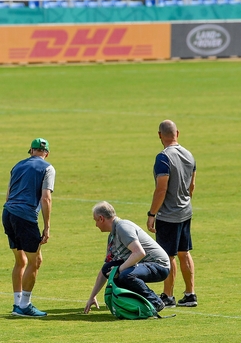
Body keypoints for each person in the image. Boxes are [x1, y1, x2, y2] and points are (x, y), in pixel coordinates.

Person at [83, 201, 170, 314]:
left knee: (125, 274)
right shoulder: (112, 236)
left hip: (159, 265)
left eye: (95, 221)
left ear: (101, 218)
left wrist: (119, 270)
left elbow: (139, 253)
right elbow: (105, 270)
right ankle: (133, 304)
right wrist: (92, 296)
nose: (96, 225)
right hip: (143, 264)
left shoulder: (123, 227)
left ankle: (156, 302)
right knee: (109, 269)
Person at [147, 119, 198, 308]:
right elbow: (192, 186)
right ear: (178, 133)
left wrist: (152, 213)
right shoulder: (189, 155)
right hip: (186, 211)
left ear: (160, 135)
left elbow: (161, 189)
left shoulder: (163, 158)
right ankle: (190, 294)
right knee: (184, 252)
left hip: (169, 215)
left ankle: (168, 296)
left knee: (168, 255)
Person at [2, 138, 55, 318]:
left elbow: (8, 193)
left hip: (8, 213)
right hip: (25, 216)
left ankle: (18, 303)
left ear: (31, 151)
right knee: (35, 261)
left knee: (21, 261)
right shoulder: (48, 168)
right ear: (46, 153)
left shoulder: (17, 166)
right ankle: (25, 305)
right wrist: (47, 226)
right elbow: (46, 198)